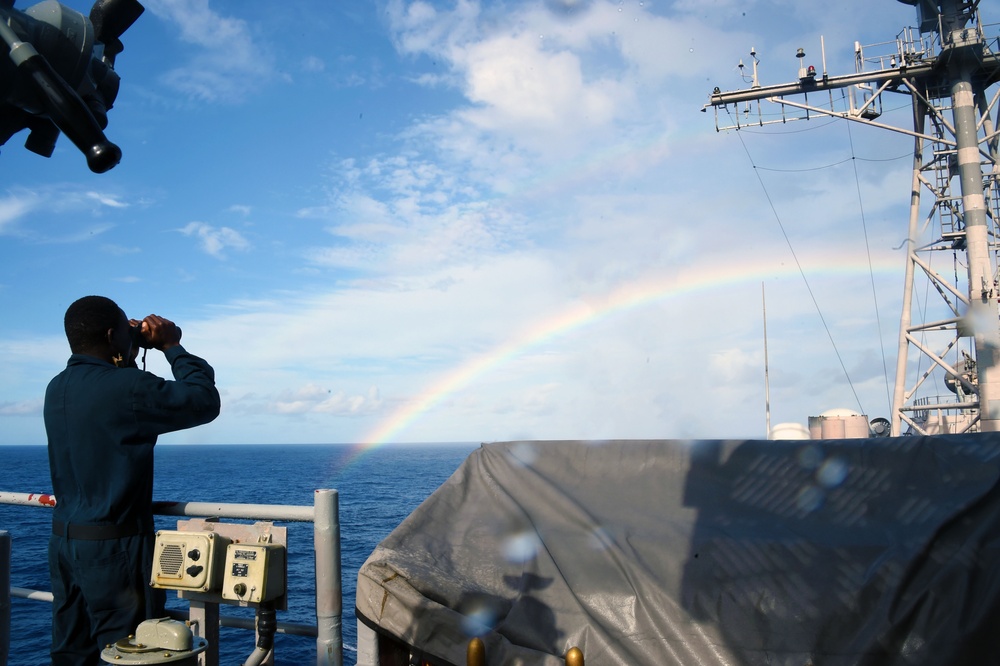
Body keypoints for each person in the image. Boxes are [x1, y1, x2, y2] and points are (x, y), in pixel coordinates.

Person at [45, 295, 221, 665]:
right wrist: (170, 345)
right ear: (112, 335)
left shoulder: (56, 387)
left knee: (71, 653)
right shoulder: (127, 387)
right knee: (132, 652)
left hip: (65, 544)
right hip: (116, 553)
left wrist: (125, 348)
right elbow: (204, 400)